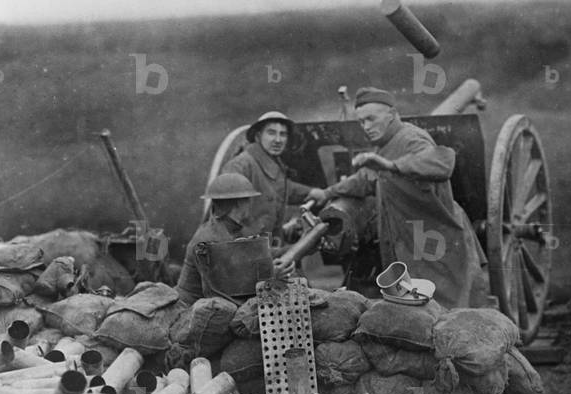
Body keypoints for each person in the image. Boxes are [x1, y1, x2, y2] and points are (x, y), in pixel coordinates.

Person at [306, 87, 487, 308]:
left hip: (436, 237)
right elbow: (365, 179)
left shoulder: (412, 138)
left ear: (392, 115)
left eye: (371, 119)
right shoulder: (386, 146)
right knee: (419, 308)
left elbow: (442, 163)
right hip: (408, 240)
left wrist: (392, 166)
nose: (366, 127)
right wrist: (327, 193)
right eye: (362, 122)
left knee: (448, 306)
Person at [176, 173, 292, 306]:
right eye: (247, 200)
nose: (250, 204)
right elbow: (228, 291)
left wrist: (296, 248)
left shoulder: (234, 229)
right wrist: (271, 276)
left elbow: (260, 255)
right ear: (238, 203)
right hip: (195, 312)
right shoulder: (210, 240)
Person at [220, 111, 314, 245]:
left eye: (283, 134)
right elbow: (226, 223)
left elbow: (282, 187)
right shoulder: (240, 166)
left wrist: (311, 193)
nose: (278, 140)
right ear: (258, 136)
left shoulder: (273, 165)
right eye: (271, 133)